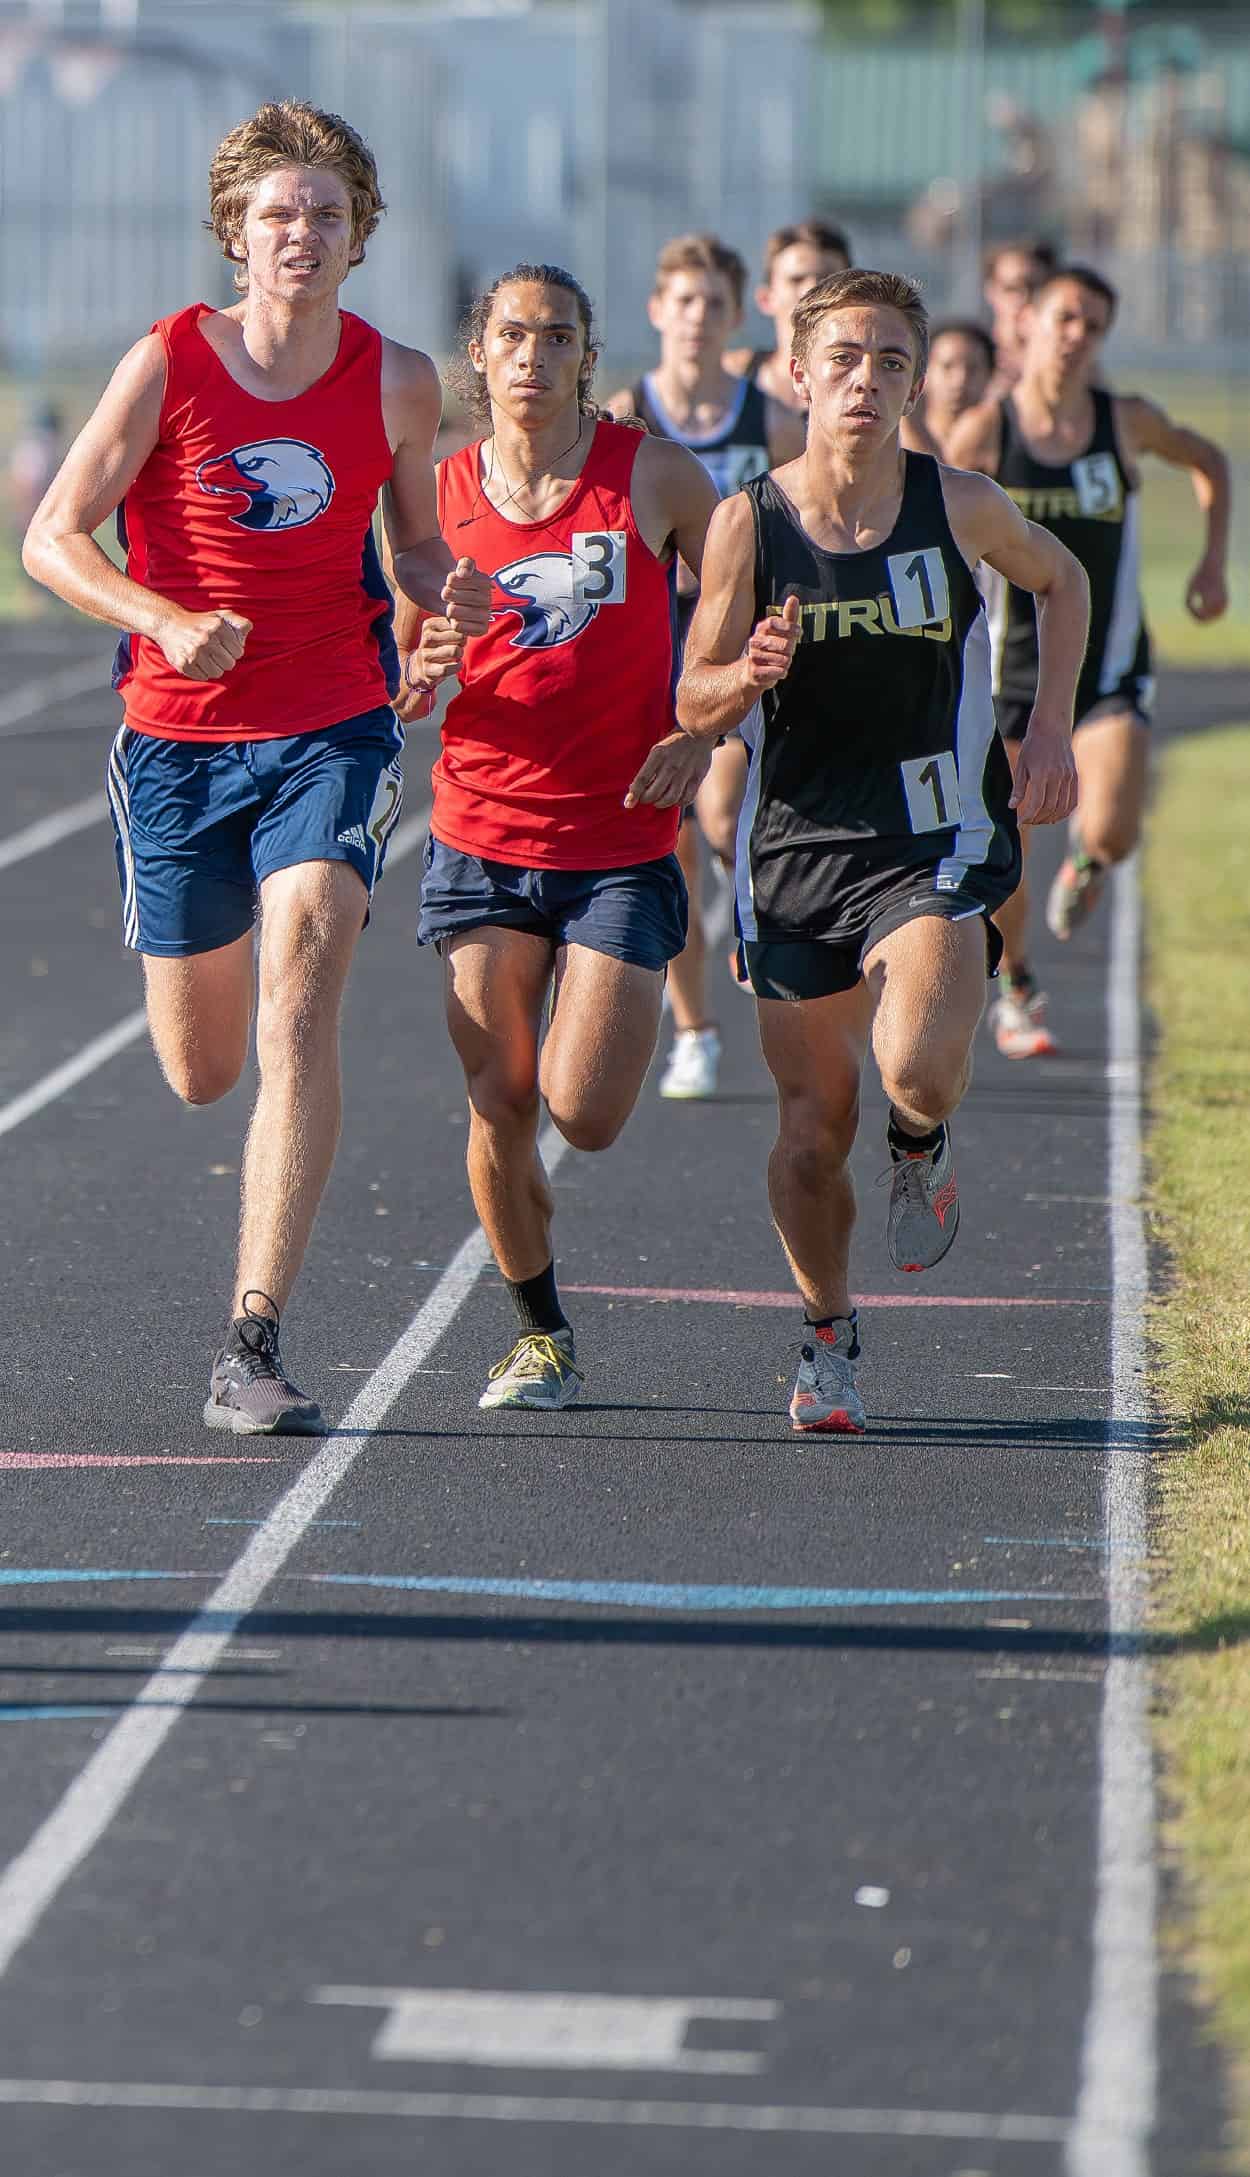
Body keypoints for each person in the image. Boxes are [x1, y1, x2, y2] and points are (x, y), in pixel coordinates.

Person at [21, 99, 489, 1433]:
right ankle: (251, 1316)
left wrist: (434, 598)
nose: (301, 234)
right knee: (202, 1067)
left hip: (331, 724)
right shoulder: (171, 359)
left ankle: (254, 1337)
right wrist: (165, 618)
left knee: (305, 981)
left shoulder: (396, 380)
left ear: (359, 237)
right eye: (278, 214)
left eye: (326, 215)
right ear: (237, 232)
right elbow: (52, 538)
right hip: (176, 740)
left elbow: (410, 547)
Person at [677, 268, 1087, 1434]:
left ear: (912, 382)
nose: (867, 381)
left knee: (910, 1066)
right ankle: (825, 1337)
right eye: (844, 358)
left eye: (891, 362)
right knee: (811, 1128)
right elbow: (693, 693)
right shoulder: (744, 522)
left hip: (935, 833)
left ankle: (920, 1139)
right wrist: (737, 676)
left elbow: (1058, 581)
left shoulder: (954, 502)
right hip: (795, 848)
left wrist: (1045, 723)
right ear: (796, 373)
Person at [399, 263, 720, 1411]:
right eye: (511, 336)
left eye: (556, 337)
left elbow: (741, 600)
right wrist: (423, 664)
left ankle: (541, 1307)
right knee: (499, 1095)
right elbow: (399, 678)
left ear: (588, 354)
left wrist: (701, 722)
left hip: (618, 840)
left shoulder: (653, 475)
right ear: (476, 355)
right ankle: (539, 1330)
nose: (531, 356)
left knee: (583, 1109)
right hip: (481, 834)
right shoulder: (431, 496)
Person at [948, 263, 1229, 1058]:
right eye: (1066, 317)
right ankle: (1022, 984)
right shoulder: (988, 430)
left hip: (1106, 666)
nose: (1078, 337)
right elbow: (933, 516)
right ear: (1029, 322)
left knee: (1109, 824)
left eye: (1095, 325)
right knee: (1008, 846)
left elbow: (1210, 460)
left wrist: (1212, 564)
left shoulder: (1125, 421)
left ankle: (1092, 867)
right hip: (1006, 674)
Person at [609, 233, 806, 1101]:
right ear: (658, 312)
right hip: (656, 648)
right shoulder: (626, 412)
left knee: (723, 812)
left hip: (749, 650)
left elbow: (820, 506)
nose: (696, 319)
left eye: (713, 305)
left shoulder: (768, 419)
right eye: (682, 302)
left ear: (735, 317)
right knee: (672, 845)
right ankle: (692, 1029)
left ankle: (754, 888)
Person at [724, 218, 853, 411]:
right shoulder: (732, 375)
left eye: (827, 279)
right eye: (796, 279)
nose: (812, 289)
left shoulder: (874, 381)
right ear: (766, 299)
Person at [982, 237, 1058, 396]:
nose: (1024, 298)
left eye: (1035, 288)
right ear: (991, 291)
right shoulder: (975, 356)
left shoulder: (1069, 357)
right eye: (1012, 288)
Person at [913, 319, 995, 458]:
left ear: (990, 374)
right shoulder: (898, 443)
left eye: (972, 369)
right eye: (947, 366)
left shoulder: (1004, 444)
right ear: (924, 372)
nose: (960, 380)